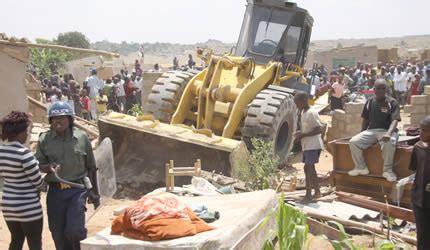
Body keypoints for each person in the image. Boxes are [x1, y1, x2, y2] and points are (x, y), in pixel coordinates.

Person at [35, 101, 100, 250]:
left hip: (77, 191)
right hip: (55, 192)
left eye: (63, 118)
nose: (58, 121)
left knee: (74, 230)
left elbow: (91, 166)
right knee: (57, 232)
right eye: (54, 118)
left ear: (70, 119)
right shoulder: (44, 139)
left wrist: (94, 192)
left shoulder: (82, 138)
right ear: (50, 121)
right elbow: (38, 164)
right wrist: (47, 167)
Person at [0, 111, 44, 250]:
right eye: (25, 131)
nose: (27, 134)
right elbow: (38, 183)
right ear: (19, 132)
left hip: (8, 206)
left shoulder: (2, 151)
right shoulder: (24, 154)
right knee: (34, 243)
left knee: (16, 240)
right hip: (28, 207)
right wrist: (47, 179)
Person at [348, 79, 400, 182]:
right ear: (374, 89)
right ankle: (361, 167)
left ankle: (388, 171)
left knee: (389, 142)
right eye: (378, 88)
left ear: (386, 89)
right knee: (353, 142)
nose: (381, 90)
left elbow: (395, 120)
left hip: (387, 131)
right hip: (371, 131)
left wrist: (389, 134)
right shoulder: (369, 101)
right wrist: (361, 132)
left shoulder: (392, 102)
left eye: (383, 88)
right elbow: (365, 119)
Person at [293, 92, 323, 202]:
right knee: (310, 169)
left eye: (298, 103)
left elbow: (319, 129)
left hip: (313, 145)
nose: (297, 106)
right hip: (307, 145)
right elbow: (309, 128)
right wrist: (300, 133)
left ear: (304, 101)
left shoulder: (312, 112)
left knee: (308, 168)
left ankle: (308, 195)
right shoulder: (303, 112)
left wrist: (303, 134)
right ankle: (317, 192)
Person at [409, 116, 430, 250]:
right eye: (420, 129)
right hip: (420, 200)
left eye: (425, 130)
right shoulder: (418, 148)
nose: (420, 133)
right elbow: (415, 171)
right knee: (422, 236)